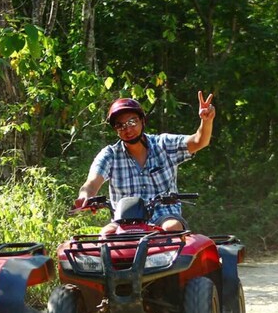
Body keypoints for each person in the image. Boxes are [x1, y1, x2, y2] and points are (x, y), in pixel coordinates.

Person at [75, 92, 215, 235]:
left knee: (171, 228)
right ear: (116, 130)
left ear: (143, 121)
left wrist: (206, 120)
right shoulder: (110, 155)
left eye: (132, 122)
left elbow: (199, 141)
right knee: (106, 234)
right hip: (124, 220)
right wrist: (85, 196)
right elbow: (91, 183)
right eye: (120, 126)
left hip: (163, 216)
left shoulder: (164, 144)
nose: (128, 129)